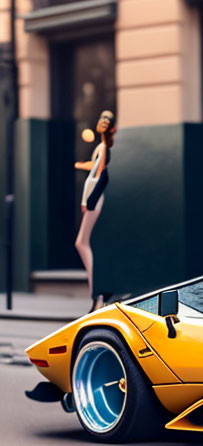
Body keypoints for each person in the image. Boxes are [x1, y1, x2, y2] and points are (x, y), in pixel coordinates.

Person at [74, 110, 115, 311]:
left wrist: (90, 201)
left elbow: (101, 176)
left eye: (108, 120)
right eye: (102, 118)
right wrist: (82, 165)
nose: (103, 122)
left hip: (94, 197)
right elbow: (96, 168)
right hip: (91, 195)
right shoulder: (101, 146)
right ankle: (97, 292)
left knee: (82, 243)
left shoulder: (106, 147)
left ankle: (96, 290)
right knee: (84, 243)